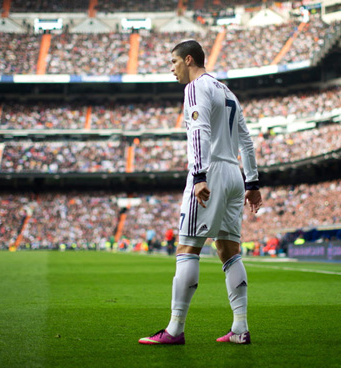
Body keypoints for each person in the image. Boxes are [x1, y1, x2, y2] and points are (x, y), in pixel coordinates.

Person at [138, 40, 262, 345]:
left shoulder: (195, 87)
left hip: (211, 172)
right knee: (228, 251)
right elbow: (245, 140)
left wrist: (200, 176)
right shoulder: (228, 91)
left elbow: (199, 131)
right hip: (234, 175)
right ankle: (240, 328)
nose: (172, 69)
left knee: (187, 248)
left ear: (189, 59)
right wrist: (253, 183)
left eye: (174, 62)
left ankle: (175, 330)